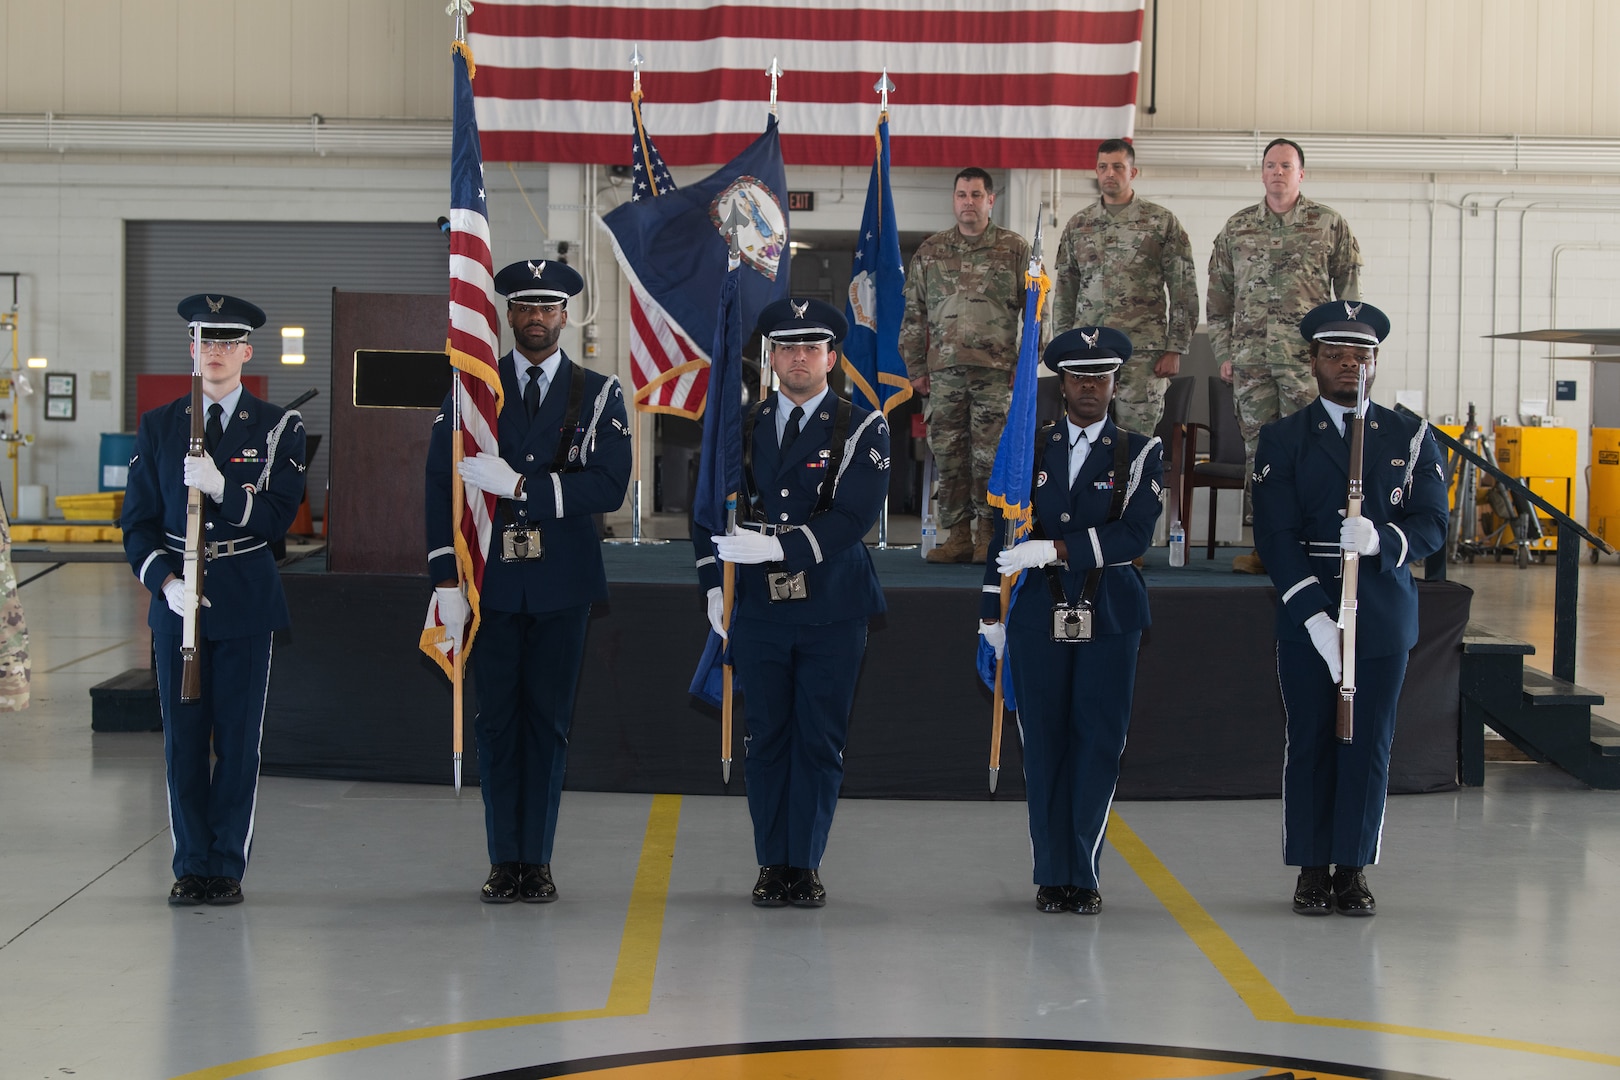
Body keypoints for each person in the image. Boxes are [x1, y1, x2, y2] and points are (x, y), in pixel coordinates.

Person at [426, 259, 631, 904]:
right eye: (524, 306)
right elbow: (439, 482)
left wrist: (523, 487)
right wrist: (444, 579)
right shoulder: (472, 392)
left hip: (561, 586)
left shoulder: (598, 393)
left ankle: (535, 860)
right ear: (507, 316)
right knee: (495, 726)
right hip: (487, 580)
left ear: (565, 315)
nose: (536, 316)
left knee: (547, 724)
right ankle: (502, 860)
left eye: (548, 306)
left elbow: (609, 484)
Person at [1252, 300, 1447, 917]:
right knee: (1310, 739)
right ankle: (1311, 868)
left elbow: (1434, 521)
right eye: (1334, 353)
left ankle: (1352, 869)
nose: (1348, 364)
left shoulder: (1410, 436)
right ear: (1312, 361)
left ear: (1375, 362)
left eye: (1359, 354)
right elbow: (1275, 537)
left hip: (1381, 615)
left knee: (1369, 744)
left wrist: (1386, 541)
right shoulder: (1283, 439)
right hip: (1308, 616)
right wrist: (1313, 616)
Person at [694, 297, 889, 908]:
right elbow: (707, 508)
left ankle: (803, 865)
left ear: (832, 357)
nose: (798, 357)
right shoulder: (740, 426)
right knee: (768, 737)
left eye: (811, 347)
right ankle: (769, 862)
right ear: (771, 356)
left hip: (832, 607)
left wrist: (777, 548)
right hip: (758, 610)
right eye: (786, 347)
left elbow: (854, 515)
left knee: (819, 740)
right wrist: (710, 583)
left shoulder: (863, 426)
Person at [122, 294, 307, 906]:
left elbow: (278, 519)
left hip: (246, 598)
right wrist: (164, 583)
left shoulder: (281, 427)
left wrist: (224, 488)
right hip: (179, 605)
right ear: (193, 352)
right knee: (182, 740)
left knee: (237, 739)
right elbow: (138, 523)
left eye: (229, 344)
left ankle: (225, 865)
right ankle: (190, 864)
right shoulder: (159, 424)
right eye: (206, 343)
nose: (216, 353)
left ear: (248, 353)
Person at [978, 326, 1163, 915]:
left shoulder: (1140, 452)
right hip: (1035, 612)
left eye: (1101, 376)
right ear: (1061, 382)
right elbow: (1000, 531)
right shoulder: (1027, 447)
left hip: (1107, 611)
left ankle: (1083, 874)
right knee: (1045, 744)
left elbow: (1133, 534)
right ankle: (1050, 872)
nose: (1090, 386)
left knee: (1098, 744)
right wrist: (990, 612)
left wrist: (1056, 549)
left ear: (1115, 382)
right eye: (1079, 376)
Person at [1206, 137, 1362, 574]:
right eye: (1271, 165)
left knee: (1316, 450)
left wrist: (1347, 358)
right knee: (1260, 456)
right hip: (1251, 364)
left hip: (1308, 365)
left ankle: (1317, 544)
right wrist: (1225, 351)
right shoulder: (1236, 229)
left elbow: (1349, 301)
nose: (1278, 172)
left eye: (1286, 166)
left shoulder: (1328, 224)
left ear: (1301, 173)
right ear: (1262, 172)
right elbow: (1218, 300)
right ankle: (1267, 548)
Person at [899, 167, 1031, 564]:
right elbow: (913, 313)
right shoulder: (931, 251)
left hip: (996, 372)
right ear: (953, 199)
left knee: (989, 456)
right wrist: (915, 367)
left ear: (991, 200)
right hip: (944, 374)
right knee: (950, 454)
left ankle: (988, 534)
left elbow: (1036, 313)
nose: (968, 202)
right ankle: (957, 535)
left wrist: (1026, 367)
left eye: (976, 195)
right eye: (961, 195)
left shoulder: (1015, 248)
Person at [1051, 139, 1198, 435]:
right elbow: (1066, 292)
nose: (1110, 173)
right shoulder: (1078, 225)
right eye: (1103, 167)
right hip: (1089, 350)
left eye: (1118, 166)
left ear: (1133, 172)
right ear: (1095, 171)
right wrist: (1065, 346)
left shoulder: (1161, 222)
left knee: (1135, 440)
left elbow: (1183, 288)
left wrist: (1175, 348)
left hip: (1144, 353)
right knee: (1086, 437)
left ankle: (1135, 485)